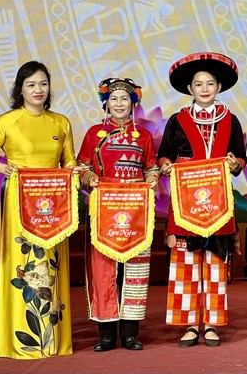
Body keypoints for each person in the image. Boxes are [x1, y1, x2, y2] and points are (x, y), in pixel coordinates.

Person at [157, 52, 247, 348]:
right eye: (198, 84)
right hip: (185, 203)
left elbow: (240, 156)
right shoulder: (177, 120)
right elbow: (164, 154)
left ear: (219, 87)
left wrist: (235, 164)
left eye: (210, 83)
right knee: (186, 263)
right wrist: (166, 165)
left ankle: (211, 324)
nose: (204, 88)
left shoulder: (230, 120)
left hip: (218, 202)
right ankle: (189, 325)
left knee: (215, 263)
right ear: (189, 89)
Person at [0, 61, 77, 359]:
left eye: (43, 83)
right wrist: (2, 167)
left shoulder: (60, 122)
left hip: (54, 207)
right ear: (20, 89)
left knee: (50, 265)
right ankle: (19, 341)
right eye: (31, 84)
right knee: (25, 265)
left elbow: (69, 162)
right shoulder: (7, 121)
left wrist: (73, 172)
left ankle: (50, 341)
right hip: (18, 204)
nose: (38, 90)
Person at [77, 78, 160, 352]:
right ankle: (106, 335)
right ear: (106, 103)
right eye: (114, 99)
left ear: (133, 103)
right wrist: (90, 179)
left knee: (133, 271)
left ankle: (130, 334)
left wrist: (152, 179)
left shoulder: (143, 136)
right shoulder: (94, 133)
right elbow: (81, 167)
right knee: (104, 271)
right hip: (104, 210)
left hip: (135, 211)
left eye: (125, 99)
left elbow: (151, 167)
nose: (119, 104)